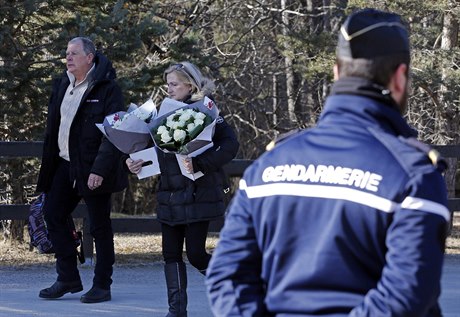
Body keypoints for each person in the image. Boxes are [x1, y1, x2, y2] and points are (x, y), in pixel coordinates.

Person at [206, 8, 451, 317]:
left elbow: (227, 278)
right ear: (400, 78)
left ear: (336, 72)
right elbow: (406, 295)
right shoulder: (413, 176)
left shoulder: (267, 167)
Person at [126, 61, 239, 317]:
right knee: (170, 255)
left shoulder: (207, 111)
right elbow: (153, 151)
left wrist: (200, 162)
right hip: (170, 194)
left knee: (197, 255)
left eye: (174, 84)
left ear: (190, 84)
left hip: (199, 193)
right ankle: (176, 311)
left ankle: (236, 290)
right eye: (167, 84)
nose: (169, 89)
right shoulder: (159, 114)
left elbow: (230, 145)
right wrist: (134, 163)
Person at [36, 37, 128, 303]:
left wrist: (99, 170)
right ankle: (67, 277)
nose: (68, 57)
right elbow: (55, 128)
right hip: (65, 164)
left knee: (100, 227)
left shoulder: (108, 89)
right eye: (67, 53)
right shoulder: (62, 83)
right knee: (53, 214)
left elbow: (114, 132)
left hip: (94, 168)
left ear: (90, 57)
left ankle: (102, 285)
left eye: (74, 53)